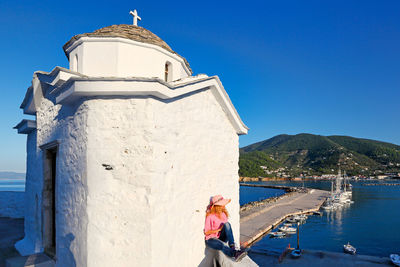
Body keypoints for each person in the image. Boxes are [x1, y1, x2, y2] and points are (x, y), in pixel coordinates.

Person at [204, 195, 247, 262]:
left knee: (227, 224)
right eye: (222, 205)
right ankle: (235, 253)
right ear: (217, 206)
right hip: (211, 239)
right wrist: (218, 229)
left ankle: (232, 246)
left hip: (220, 237)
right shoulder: (210, 216)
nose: (224, 206)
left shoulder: (223, 214)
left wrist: (221, 230)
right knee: (221, 245)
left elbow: (227, 228)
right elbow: (206, 232)